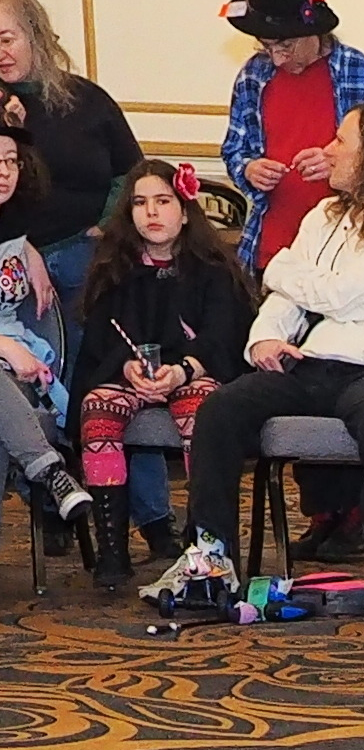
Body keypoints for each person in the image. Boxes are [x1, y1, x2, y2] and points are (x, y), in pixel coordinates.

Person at [183, 102, 364, 622]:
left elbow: (348, 296)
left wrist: (280, 266)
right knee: (221, 408)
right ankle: (211, 559)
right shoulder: (322, 217)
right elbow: (288, 301)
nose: (328, 150)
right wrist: (264, 339)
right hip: (312, 362)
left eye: (341, 142)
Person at [220, 0, 364, 560]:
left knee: (346, 382)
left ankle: (356, 517)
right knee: (293, 383)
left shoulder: (362, 74)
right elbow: (234, 149)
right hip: (275, 246)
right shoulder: (253, 76)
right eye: (266, 46)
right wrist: (249, 169)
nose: (275, 57)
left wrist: (338, 166)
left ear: (314, 33)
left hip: (346, 253)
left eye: (284, 45)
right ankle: (322, 514)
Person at [71, 159, 253, 591]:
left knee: (204, 411)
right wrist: (127, 366)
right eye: (140, 203)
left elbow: (222, 336)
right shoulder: (114, 269)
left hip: (193, 371)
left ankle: (206, 541)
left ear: (185, 211)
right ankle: (112, 549)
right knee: (97, 407)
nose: (151, 212)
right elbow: (102, 337)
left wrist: (183, 369)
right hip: (130, 374)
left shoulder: (213, 269)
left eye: (163, 201)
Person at [0, 0, 136, 378]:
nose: (0, 54)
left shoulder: (88, 99)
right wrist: (23, 246)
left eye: (6, 40)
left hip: (84, 251)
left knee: (90, 358)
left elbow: (129, 172)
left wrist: (107, 223)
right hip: (12, 260)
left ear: (36, 35)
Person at [0, 124, 88, 524]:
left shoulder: (14, 222)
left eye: (11, 161)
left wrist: (29, 252)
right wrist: (6, 347)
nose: (5, 172)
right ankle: (51, 471)